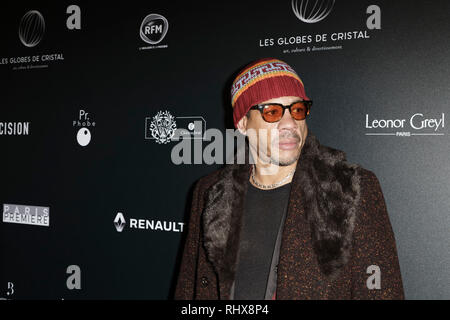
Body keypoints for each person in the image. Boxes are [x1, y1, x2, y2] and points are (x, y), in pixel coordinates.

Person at [174, 58, 404, 299]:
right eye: (272, 112)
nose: (289, 124)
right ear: (242, 123)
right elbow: (189, 286)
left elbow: (381, 292)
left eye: (297, 110)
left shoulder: (350, 188)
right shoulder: (210, 191)